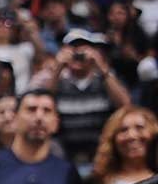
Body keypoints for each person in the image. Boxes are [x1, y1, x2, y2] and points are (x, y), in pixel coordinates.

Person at [44, 29, 132, 164]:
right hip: (66, 155)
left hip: (101, 155)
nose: (78, 55)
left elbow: (125, 106)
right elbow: (44, 101)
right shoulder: (57, 82)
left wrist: (102, 68)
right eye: (73, 50)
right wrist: (58, 67)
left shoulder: (105, 81)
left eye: (83, 50)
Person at [0, 89, 82, 184]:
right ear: (15, 118)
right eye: (31, 109)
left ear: (56, 123)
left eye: (47, 111)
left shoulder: (67, 173)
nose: (39, 117)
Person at [90, 106, 158, 184]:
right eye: (123, 130)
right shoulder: (100, 181)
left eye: (139, 127)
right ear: (112, 138)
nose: (132, 136)